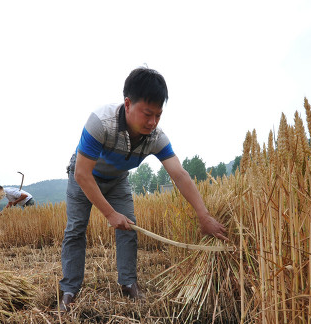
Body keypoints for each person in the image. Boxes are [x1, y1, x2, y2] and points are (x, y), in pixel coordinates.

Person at [59, 67, 228, 311]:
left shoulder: (156, 137)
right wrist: (109, 214)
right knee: (76, 229)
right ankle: (69, 289)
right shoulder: (100, 123)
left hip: (117, 180)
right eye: (147, 114)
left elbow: (179, 174)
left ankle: (128, 283)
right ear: (128, 104)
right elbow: (82, 174)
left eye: (158, 115)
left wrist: (203, 215)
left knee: (129, 227)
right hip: (84, 176)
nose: (152, 122)